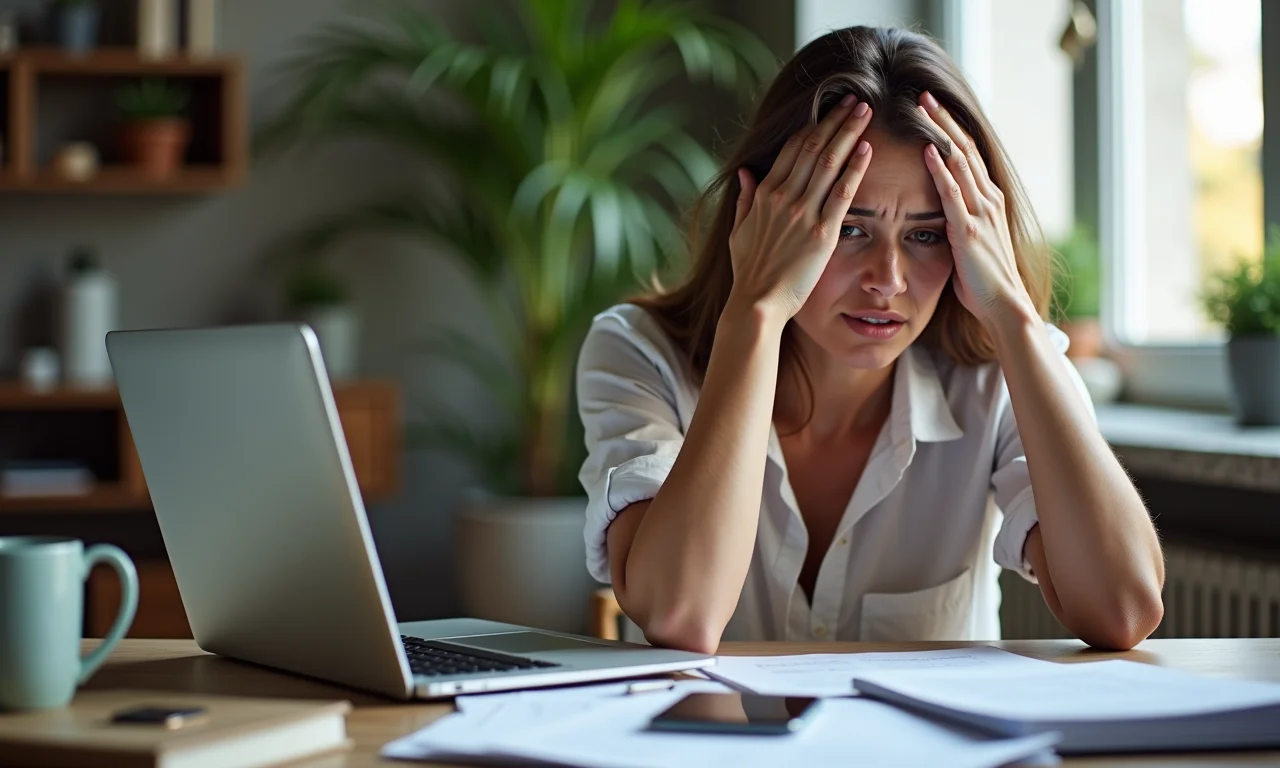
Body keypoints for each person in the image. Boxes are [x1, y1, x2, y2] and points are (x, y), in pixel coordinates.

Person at [575, 26, 1164, 653]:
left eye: (927, 234)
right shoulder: (637, 352)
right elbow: (679, 615)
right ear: (766, 219)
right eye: (848, 228)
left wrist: (1014, 316)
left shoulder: (998, 371)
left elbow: (1122, 610)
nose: (887, 281)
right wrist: (756, 310)